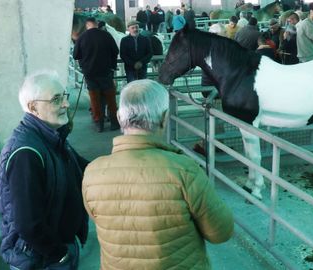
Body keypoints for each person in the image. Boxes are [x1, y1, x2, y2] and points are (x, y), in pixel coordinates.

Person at [82, 79, 234, 269]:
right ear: (164, 118)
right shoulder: (185, 170)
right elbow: (221, 232)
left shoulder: (93, 173)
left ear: (120, 117)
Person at [0, 71, 89, 270]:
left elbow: (83, 169)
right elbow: (28, 223)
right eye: (56, 99)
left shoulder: (51, 138)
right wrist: (58, 254)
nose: (66, 104)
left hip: (56, 249)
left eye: (64, 96)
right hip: (41, 260)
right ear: (33, 107)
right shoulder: (26, 153)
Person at [73, 17, 119, 132]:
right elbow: (115, 51)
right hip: (106, 72)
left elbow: (75, 55)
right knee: (110, 98)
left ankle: (99, 124)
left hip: (90, 74)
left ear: (87, 25)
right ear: (97, 24)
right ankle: (114, 122)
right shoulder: (106, 35)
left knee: (95, 99)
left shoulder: (82, 37)